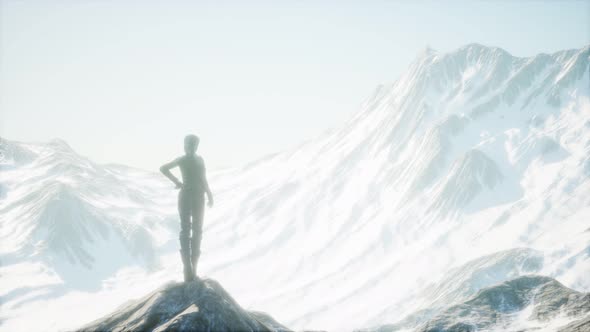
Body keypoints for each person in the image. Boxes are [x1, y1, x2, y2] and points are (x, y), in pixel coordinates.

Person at [160, 134, 213, 282]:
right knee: (186, 229)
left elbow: (203, 178)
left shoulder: (199, 159)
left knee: (197, 230)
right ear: (185, 145)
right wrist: (177, 182)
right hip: (186, 197)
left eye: (194, 145)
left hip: (199, 197)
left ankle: (193, 266)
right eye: (190, 145)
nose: (192, 147)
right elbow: (163, 168)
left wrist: (209, 194)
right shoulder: (182, 159)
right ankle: (187, 267)